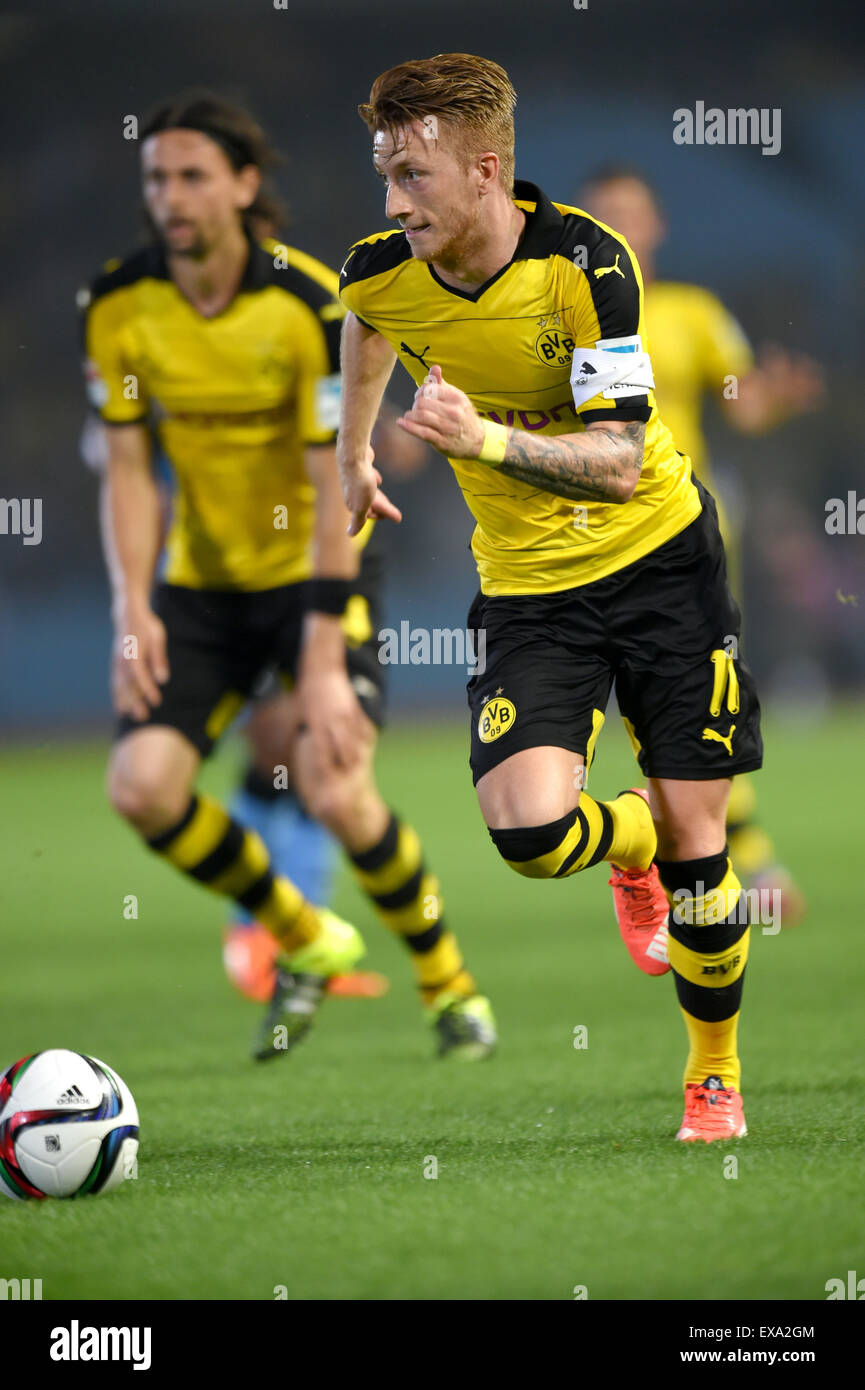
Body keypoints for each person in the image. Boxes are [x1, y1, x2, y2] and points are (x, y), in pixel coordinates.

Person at [337, 52, 763, 1141]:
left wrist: (480, 436)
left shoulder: (584, 260)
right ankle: (632, 848)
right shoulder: (379, 268)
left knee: (705, 851)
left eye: (414, 177)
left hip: (660, 560)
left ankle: (711, 1073)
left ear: (484, 170)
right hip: (530, 590)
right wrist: (353, 456)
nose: (393, 202)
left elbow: (618, 458)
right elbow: (366, 326)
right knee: (527, 834)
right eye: (385, 175)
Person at [81, 91, 496, 1062]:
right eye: (157, 179)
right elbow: (131, 469)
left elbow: (328, 489)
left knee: (334, 785)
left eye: (192, 176)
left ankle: (448, 981)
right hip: (200, 587)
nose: (171, 196)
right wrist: (131, 607)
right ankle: (306, 934)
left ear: (244, 185)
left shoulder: (308, 304)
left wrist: (318, 656)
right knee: (141, 787)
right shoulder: (120, 304)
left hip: (316, 570)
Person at [577, 167, 823, 929]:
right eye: (604, 213)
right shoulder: (562, 313)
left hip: (686, 536)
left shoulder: (692, 313)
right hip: (584, 540)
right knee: (641, 710)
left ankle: (727, 857)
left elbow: (740, 402)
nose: (619, 224)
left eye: (631, 212)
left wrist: (772, 397)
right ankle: (669, 843)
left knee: (698, 696)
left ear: (656, 227)